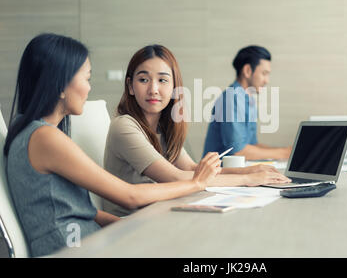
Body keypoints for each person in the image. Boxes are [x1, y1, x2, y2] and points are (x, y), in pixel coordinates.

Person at [3, 34, 221, 257]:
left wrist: (131, 227)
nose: (89, 88)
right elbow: (129, 196)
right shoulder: (45, 138)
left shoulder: (35, 132)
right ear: (60, 85)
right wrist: (196, 183)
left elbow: (81, 209)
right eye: (86, 78)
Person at [102, 45, 290, 216]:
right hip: (134, 221)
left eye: (162, 80)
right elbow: (176, 177)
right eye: (143, 80)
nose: (153, 89)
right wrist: (248, 178)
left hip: (160, 210)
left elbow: (193, 169)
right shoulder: (124, 126)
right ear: (130, 87)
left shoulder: (163, 127)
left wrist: (249, 171)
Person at [202, 45, 292, 160]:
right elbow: (238, 151)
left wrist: (286, 152)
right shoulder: (231, 98)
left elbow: (251, 146)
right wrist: (284, 153)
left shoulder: (249, 101)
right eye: (264, 73)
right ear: (248, 71)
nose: (267, 80)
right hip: (220, 173)